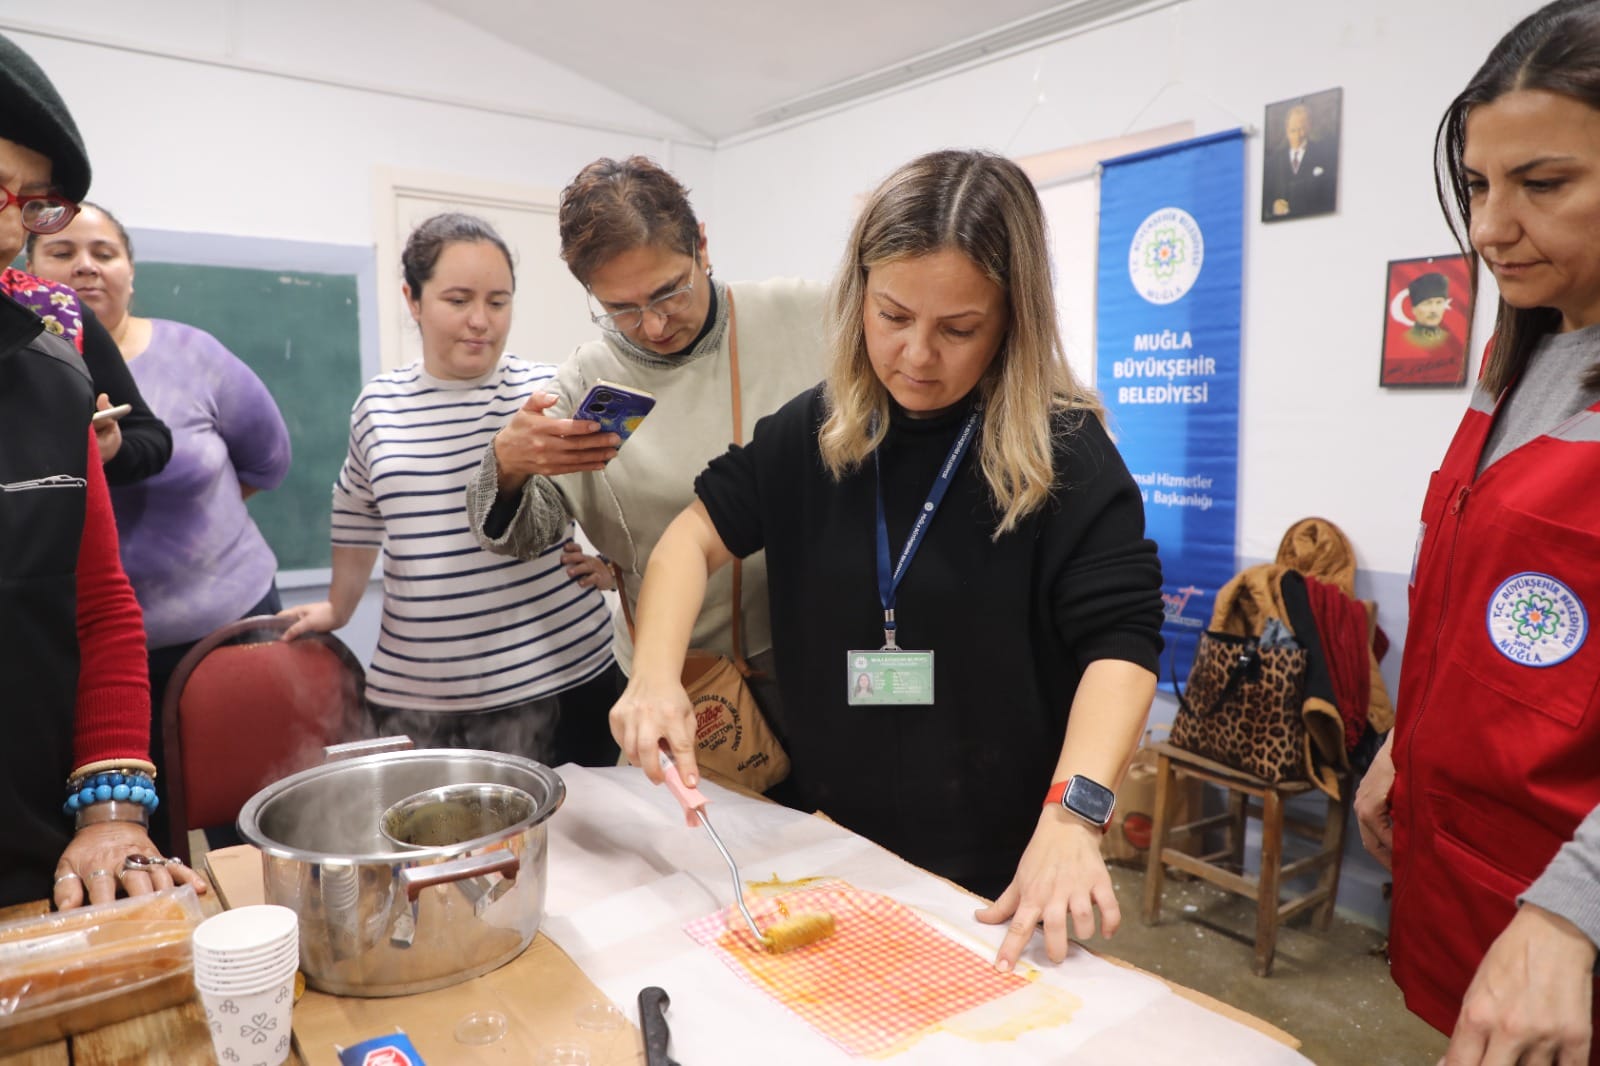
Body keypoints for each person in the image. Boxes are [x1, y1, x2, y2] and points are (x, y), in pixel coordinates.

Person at [609, 149, 1164, 973]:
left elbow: (1121, 645)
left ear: (1015, 317)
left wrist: (1073, 818)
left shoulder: (1067, 453)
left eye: (959, 329)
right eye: (892, 315)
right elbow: (691, 537)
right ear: (858, 294)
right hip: (835, 847)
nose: (916, 356)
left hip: (1008, 873)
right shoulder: (814, 431)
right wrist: (653, 676)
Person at [1355, 4, 1600, 1062]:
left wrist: (1573, 909)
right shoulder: (1525, 355)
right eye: (1476, 186)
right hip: (1477, 877)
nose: (1490, 226)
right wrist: (1403, 740)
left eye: (1541, 185)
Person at [465, 156, 827, 742]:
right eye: (622, 309)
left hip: (804, 660)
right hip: (668, 680)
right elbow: (525, 532)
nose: (655, 326)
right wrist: (508, 466)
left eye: (669, 293)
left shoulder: (805, 318)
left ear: (702, 246)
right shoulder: (586, 382)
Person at [280, 213, 619, 767]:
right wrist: (340, 607)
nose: (480, 321)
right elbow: (356, 507)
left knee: (578, 848)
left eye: (498, 301)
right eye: (458, 300)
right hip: (422, 697)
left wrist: (617, 566)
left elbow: (617, 488)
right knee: (436, 850)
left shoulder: (545, 392)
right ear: (413, 299)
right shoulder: (379, 405)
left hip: (562, 678)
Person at [0, 30, 206, 909]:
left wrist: (110, 812)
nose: (10, 222)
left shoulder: (53, 375)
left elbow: (101, 606)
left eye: (25, 200)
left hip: (33, 855)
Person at [26, 204, 293, 833]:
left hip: (235, 634)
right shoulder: (23, 379)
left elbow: (267, 462)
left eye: (104, 253)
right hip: (95, 662)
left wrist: (200, 534)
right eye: (62, 253)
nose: (85, 267)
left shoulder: (194, 354)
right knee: (136, 829)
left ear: (130, 272)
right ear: (29, 270)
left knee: (260, 815)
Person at [1263, 103, 1337, 219]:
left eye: (1302, 129)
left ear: (1309, 127)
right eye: (1293, 130)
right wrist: (1274, 205)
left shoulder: (1323, 155)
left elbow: (1329, 194)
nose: (1298, 135)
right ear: (1287, 129)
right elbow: (1267, 196)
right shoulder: (1275, 161)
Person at [1401, 272, 1455, 351]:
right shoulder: (1404, 340)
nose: (1434, 310)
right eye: (1427, 303)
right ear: (1414, 309)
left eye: (1439, 302)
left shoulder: (1451, 340)